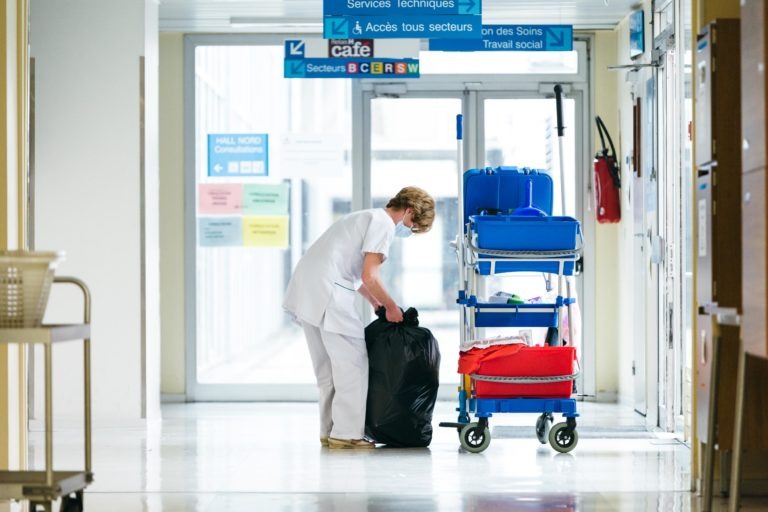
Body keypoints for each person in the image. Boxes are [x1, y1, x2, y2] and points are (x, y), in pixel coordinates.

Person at [283, 186, 435, 449]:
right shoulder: (384, 224)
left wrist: (375, 301)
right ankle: (347, 434)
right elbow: (370, 275)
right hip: (329, 291)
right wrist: (391, 306)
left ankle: (329, 431)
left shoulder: (366, 217)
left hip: (309, 287)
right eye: (413, 225)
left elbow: (356, 275)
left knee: (328, 369)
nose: (409, 231)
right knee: (352, 362)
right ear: (409, 211)